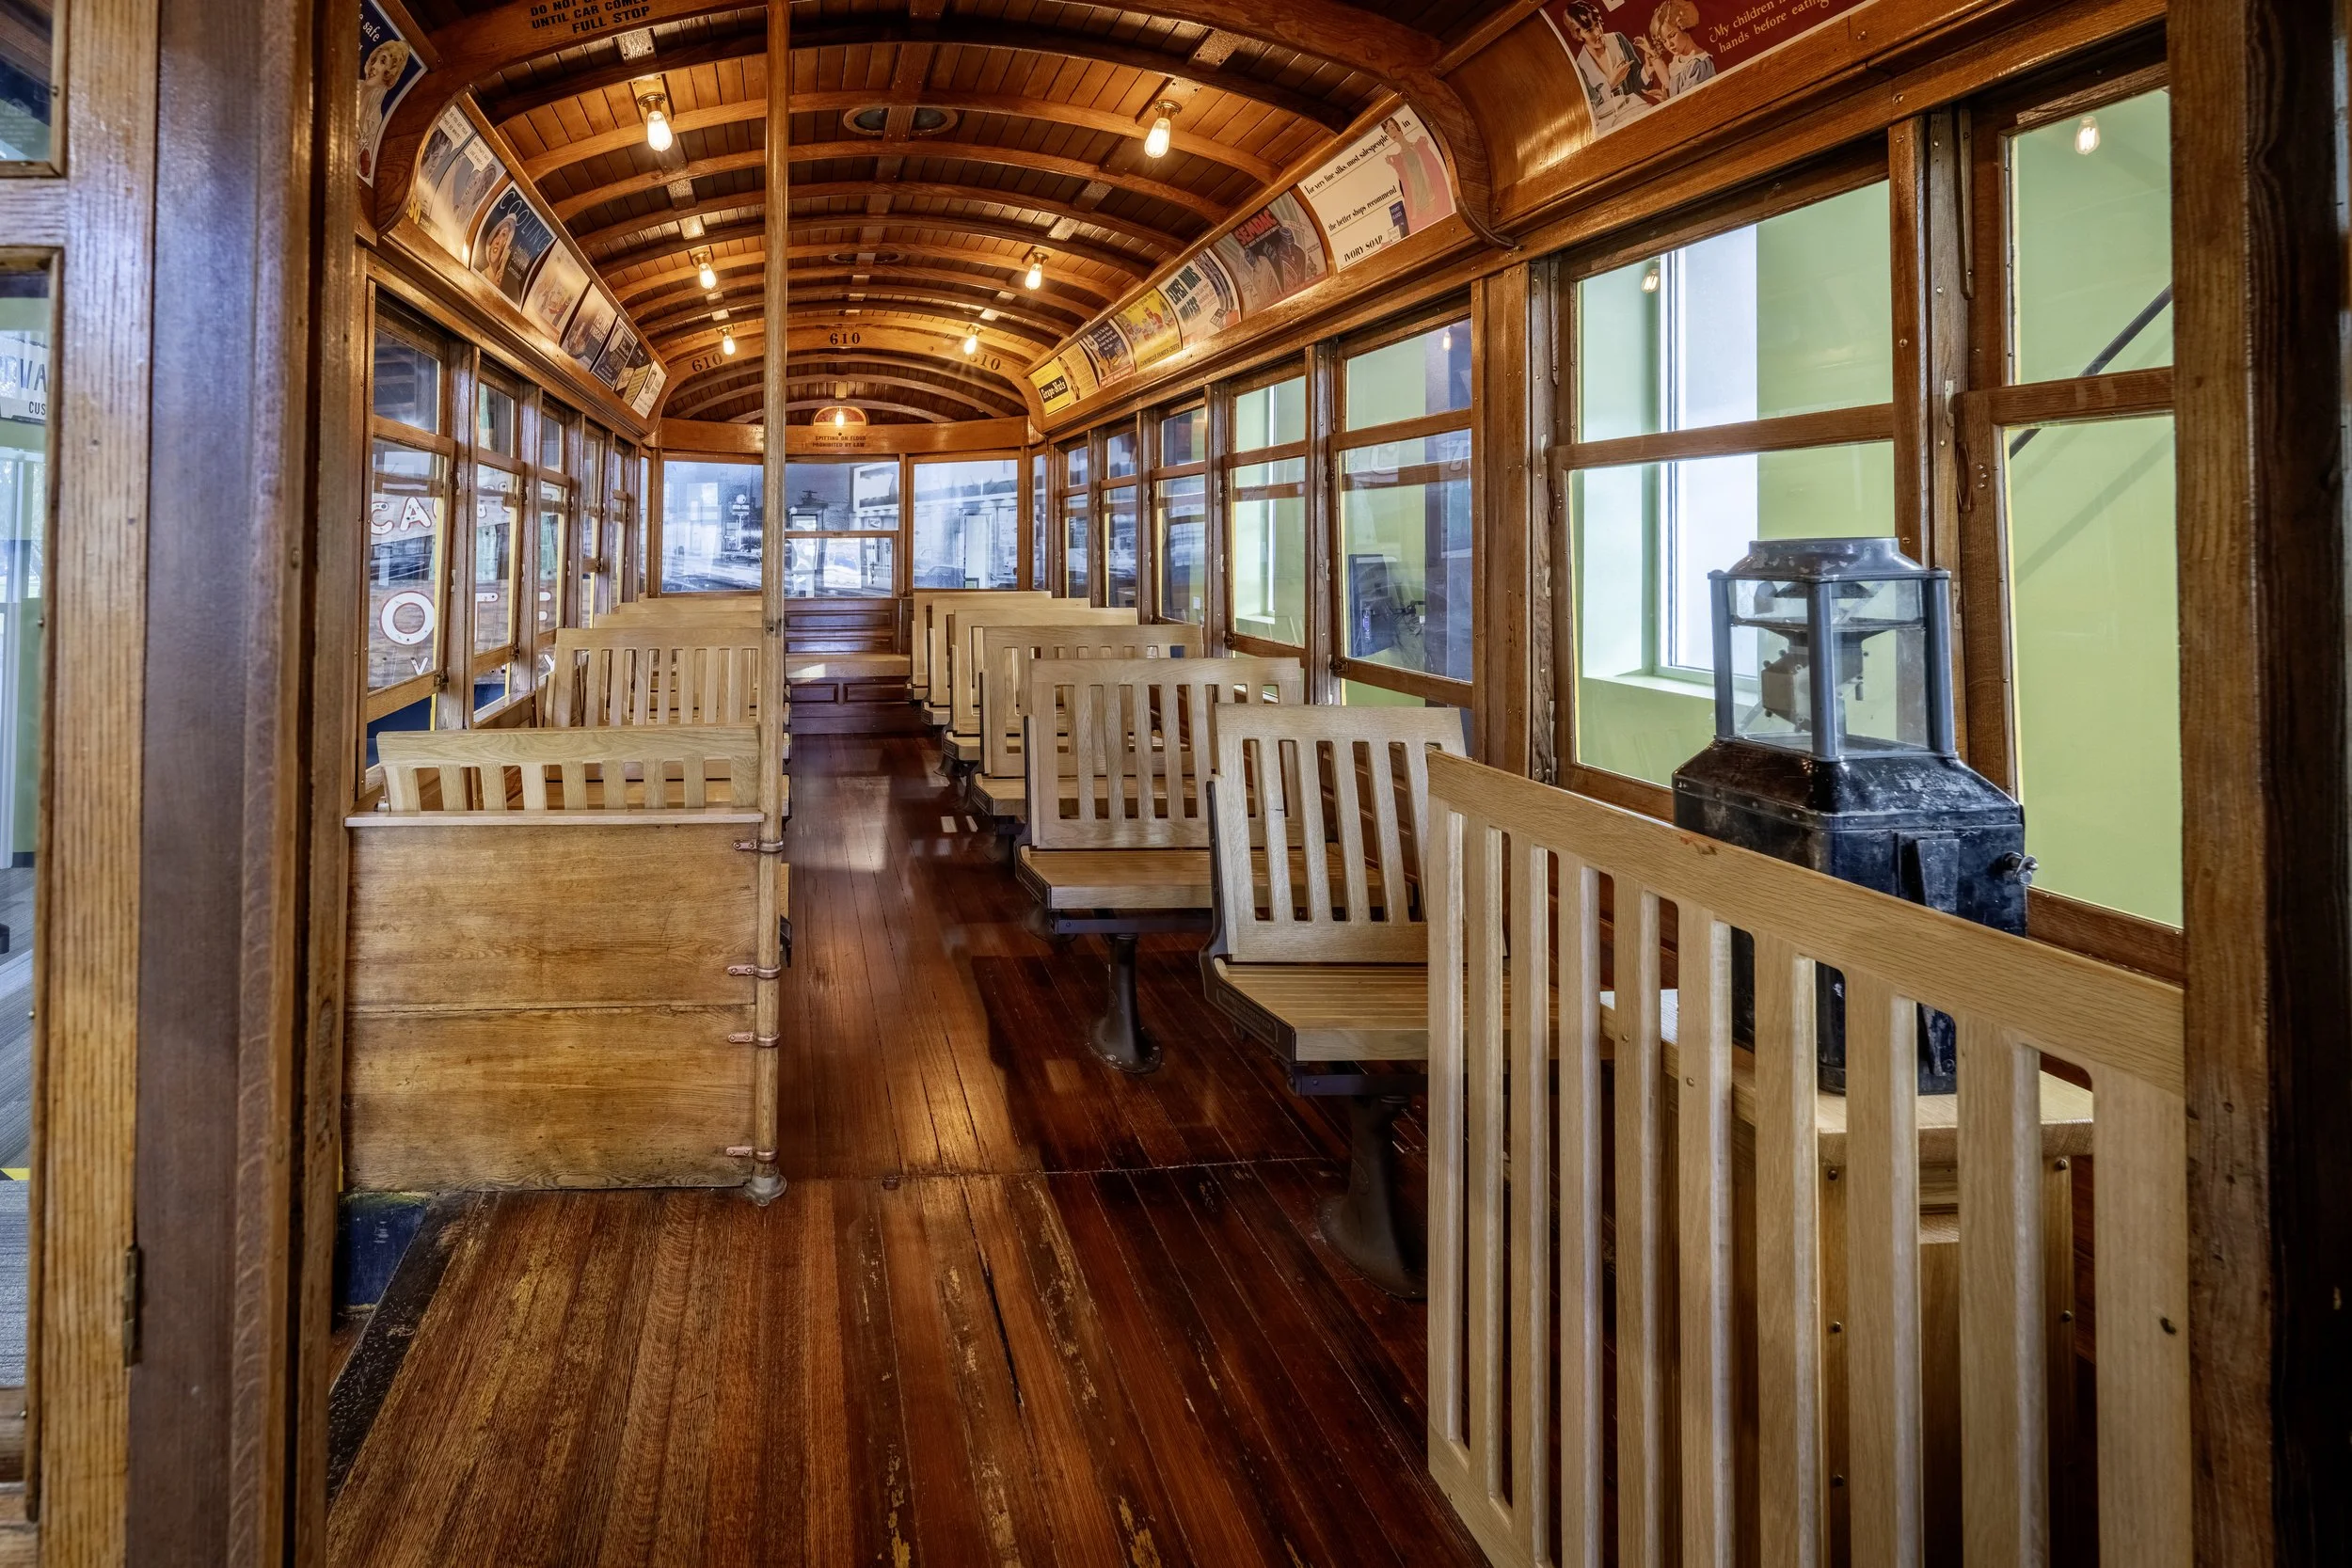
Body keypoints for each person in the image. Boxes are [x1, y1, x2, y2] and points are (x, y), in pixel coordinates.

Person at [1557, 1, 1650, 134]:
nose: (1598, 32)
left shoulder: (1618, 39)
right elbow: (1588, 111)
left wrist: (1648, 68)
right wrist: (1610, 84)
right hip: (1609, 127)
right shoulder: (1580, 67)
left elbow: (1639, 87)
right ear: (1578, 34)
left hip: (1635, 112)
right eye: (1589, 30)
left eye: (1598, 24)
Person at [1381, 114, 1452, 232]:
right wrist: (1393, 165)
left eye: (1392, 128)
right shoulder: (1398, 158)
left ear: (1399, 127)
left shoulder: (1418, 145)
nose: (1391, 133)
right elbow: (1404, 179)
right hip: (1416, 202)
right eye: (1388, 131)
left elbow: (1432, 168)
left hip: (1430, 196)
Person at [356, 36, 411, 182]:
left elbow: (364, 174)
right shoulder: (347, 85)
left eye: (382, 62)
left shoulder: (376, 119)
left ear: (390, 73)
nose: (374, 66)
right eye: (374, 60)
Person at [1645, 0, 1718, 100]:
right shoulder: (1676, 62)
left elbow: (1688, 105)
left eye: (1672, 35)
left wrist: (1668, 103)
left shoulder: (1698, 64)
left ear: (1684, 26)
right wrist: (1666, 100)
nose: (1669, 44)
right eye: (1664, 41)